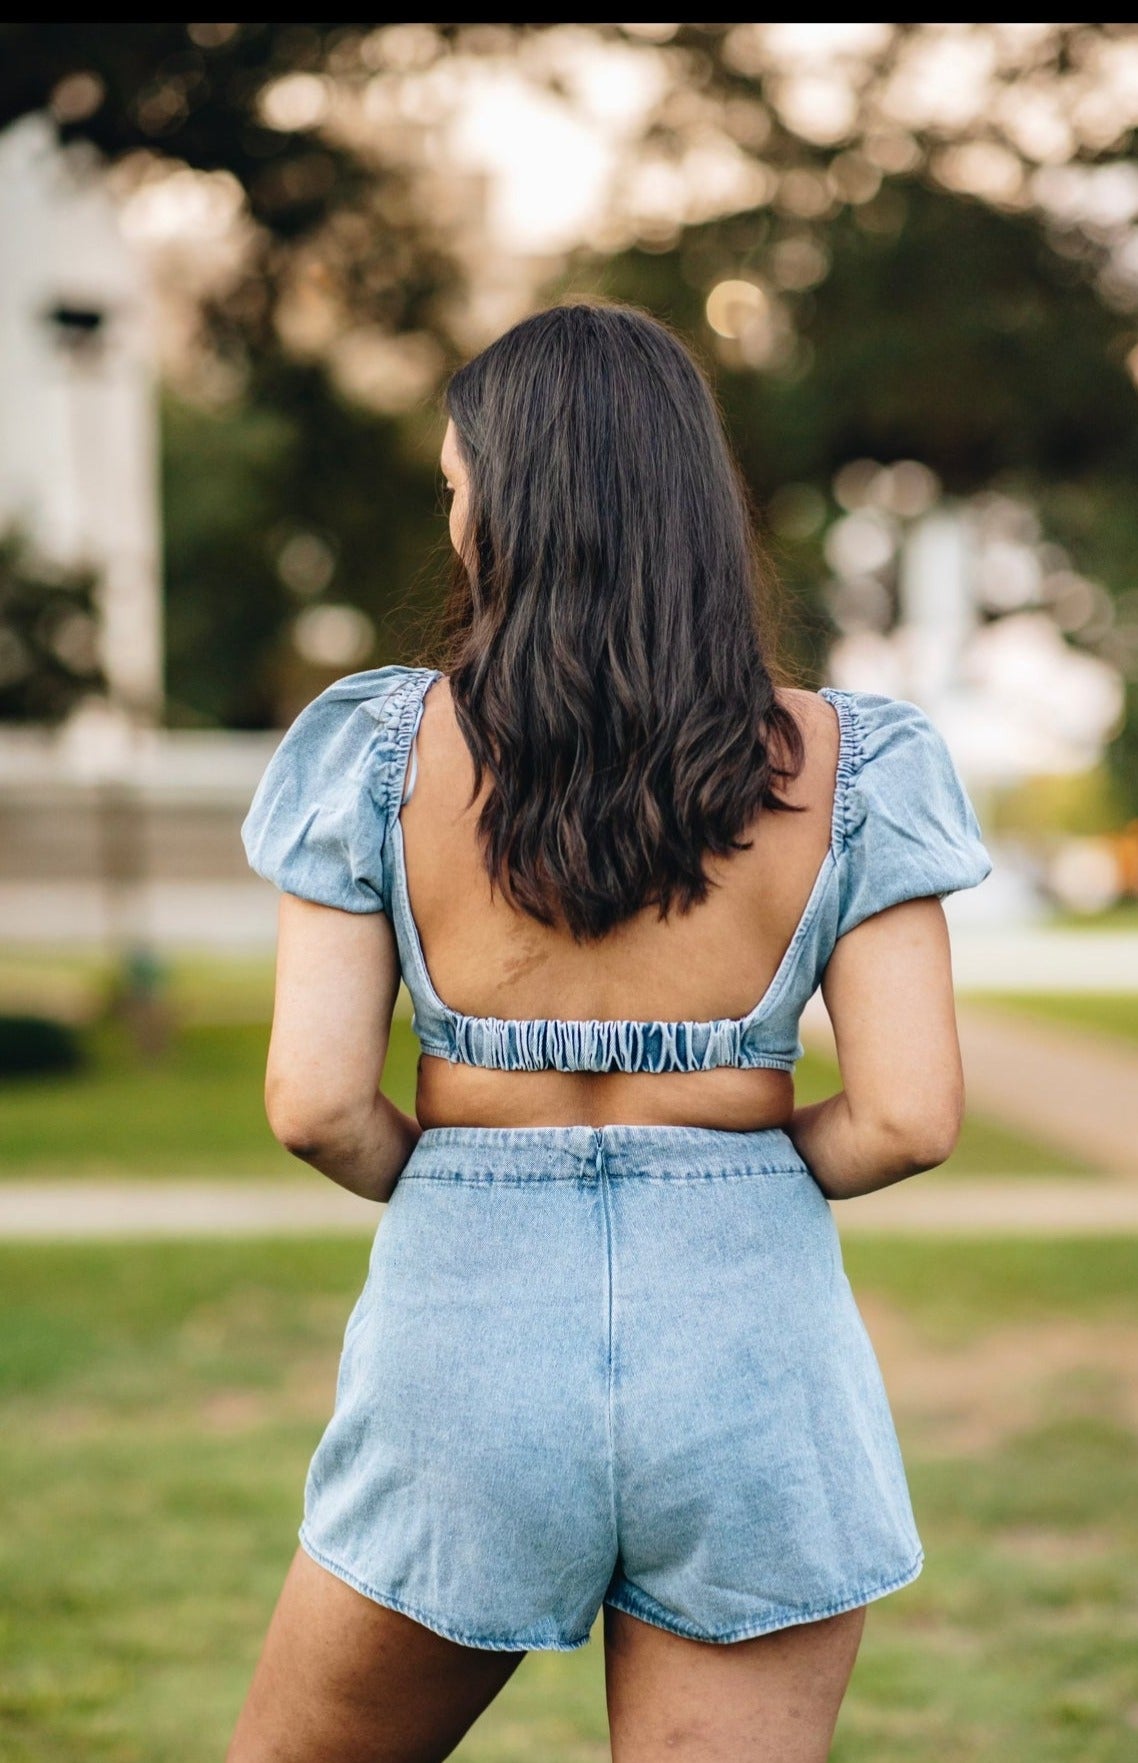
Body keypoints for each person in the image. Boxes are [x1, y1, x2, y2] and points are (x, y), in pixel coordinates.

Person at [229, 301, 991, 1763]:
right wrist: (725, 1168)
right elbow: (907, 1115)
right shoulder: (858, 762)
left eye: (455, 491)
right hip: (750, 1349)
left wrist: (468, 1178)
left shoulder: (373, 749)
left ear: (504, 508)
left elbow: (314, 1102)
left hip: (462, 1339)